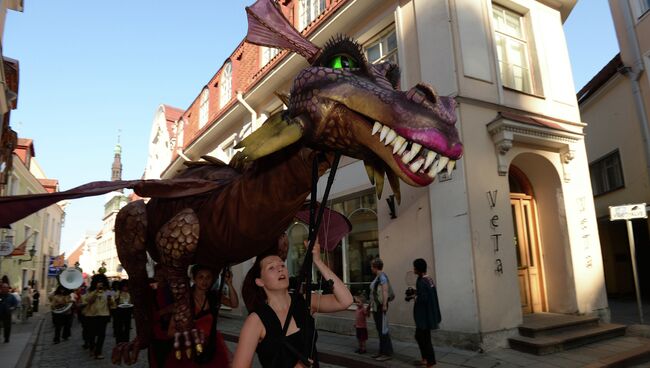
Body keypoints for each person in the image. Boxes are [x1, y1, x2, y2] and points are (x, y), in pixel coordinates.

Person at [233, 238, 353, 368]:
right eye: (271, 267)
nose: (280, 269)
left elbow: (346, 300)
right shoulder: (256, 320)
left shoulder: (305, 301)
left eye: (282, 265)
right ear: (260, 281)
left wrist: (318, 261)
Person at [165, 264, 239, 367]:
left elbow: (234, 304)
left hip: (211, 345)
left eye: (208, 277)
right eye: (201, 277)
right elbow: (170, 332)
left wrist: (229, 284)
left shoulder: (214, 296)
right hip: (189, 348)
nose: (205, 281)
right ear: (194, 279)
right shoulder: (185, 300)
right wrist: (188, 329)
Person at [410, 259, 441, 367]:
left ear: (418, 269)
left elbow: (423, 299)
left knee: (423, 338)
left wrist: (414, 296)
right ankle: (425, 359)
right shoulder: (428, 279)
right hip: (429, 314)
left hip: (423, 316)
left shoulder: (421, 281)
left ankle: (430, 362)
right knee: (421, 337)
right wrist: (416, 292)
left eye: (414, 267)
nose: (413, 269)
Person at [83, 273, 114, 359]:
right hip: (91, 315)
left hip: (103, 315)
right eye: (98, 282)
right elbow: (88, 300)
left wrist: (109, 299)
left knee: (101, 334)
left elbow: (113, 304)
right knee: (92, 334)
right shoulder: (90, 291)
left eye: (102, 282)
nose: (100, 283)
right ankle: (92, 348)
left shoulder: (108, 291)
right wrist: (96, 291)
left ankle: (98, 351)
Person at [369, 257, 393, 361]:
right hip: (376, 306)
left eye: (371, 266)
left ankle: (387, 353)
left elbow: (385, 291)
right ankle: (382, 351)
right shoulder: (378, 277)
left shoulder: (382, 276)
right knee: (380, 330)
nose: (371, 268)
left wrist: (384, 305)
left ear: (375, 267)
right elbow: (374, 293)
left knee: (383, 330)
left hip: (380, 306)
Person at [113, 280, 133, 344]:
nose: (126, 288)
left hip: (128, 311)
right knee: (119, 327)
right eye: (124, 286)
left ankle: (126, 341)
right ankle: (119, 342)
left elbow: (131, 302)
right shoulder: (118, 293)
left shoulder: (129, 293)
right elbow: (115, 302)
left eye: (127, 286)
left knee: (127, 327)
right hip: (119, 311)